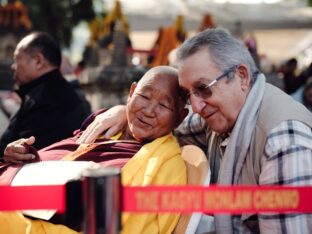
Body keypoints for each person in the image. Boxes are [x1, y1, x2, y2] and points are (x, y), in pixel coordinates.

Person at [77, 28, 312, 233]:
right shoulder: (218, 117)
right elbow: (167, 125)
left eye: (203, 88)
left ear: (241, 76)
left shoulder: (283, 140)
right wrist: (125, 111)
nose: (196, 107)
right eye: (189, 94)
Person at [0, 66, 188, 234]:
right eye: (144, 97)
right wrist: (20, 156)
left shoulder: (166, 165)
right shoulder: (105, 125)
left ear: (180, 117)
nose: (148, 110)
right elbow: (61, 158)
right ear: (132, 92)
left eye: (163, 105)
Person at [0, 32, 91, 158]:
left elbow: (28, 156)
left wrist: (7, 155)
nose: (13, 66)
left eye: (17, 59)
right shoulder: (49, 92)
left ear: (38, 61)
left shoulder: (46, 100)